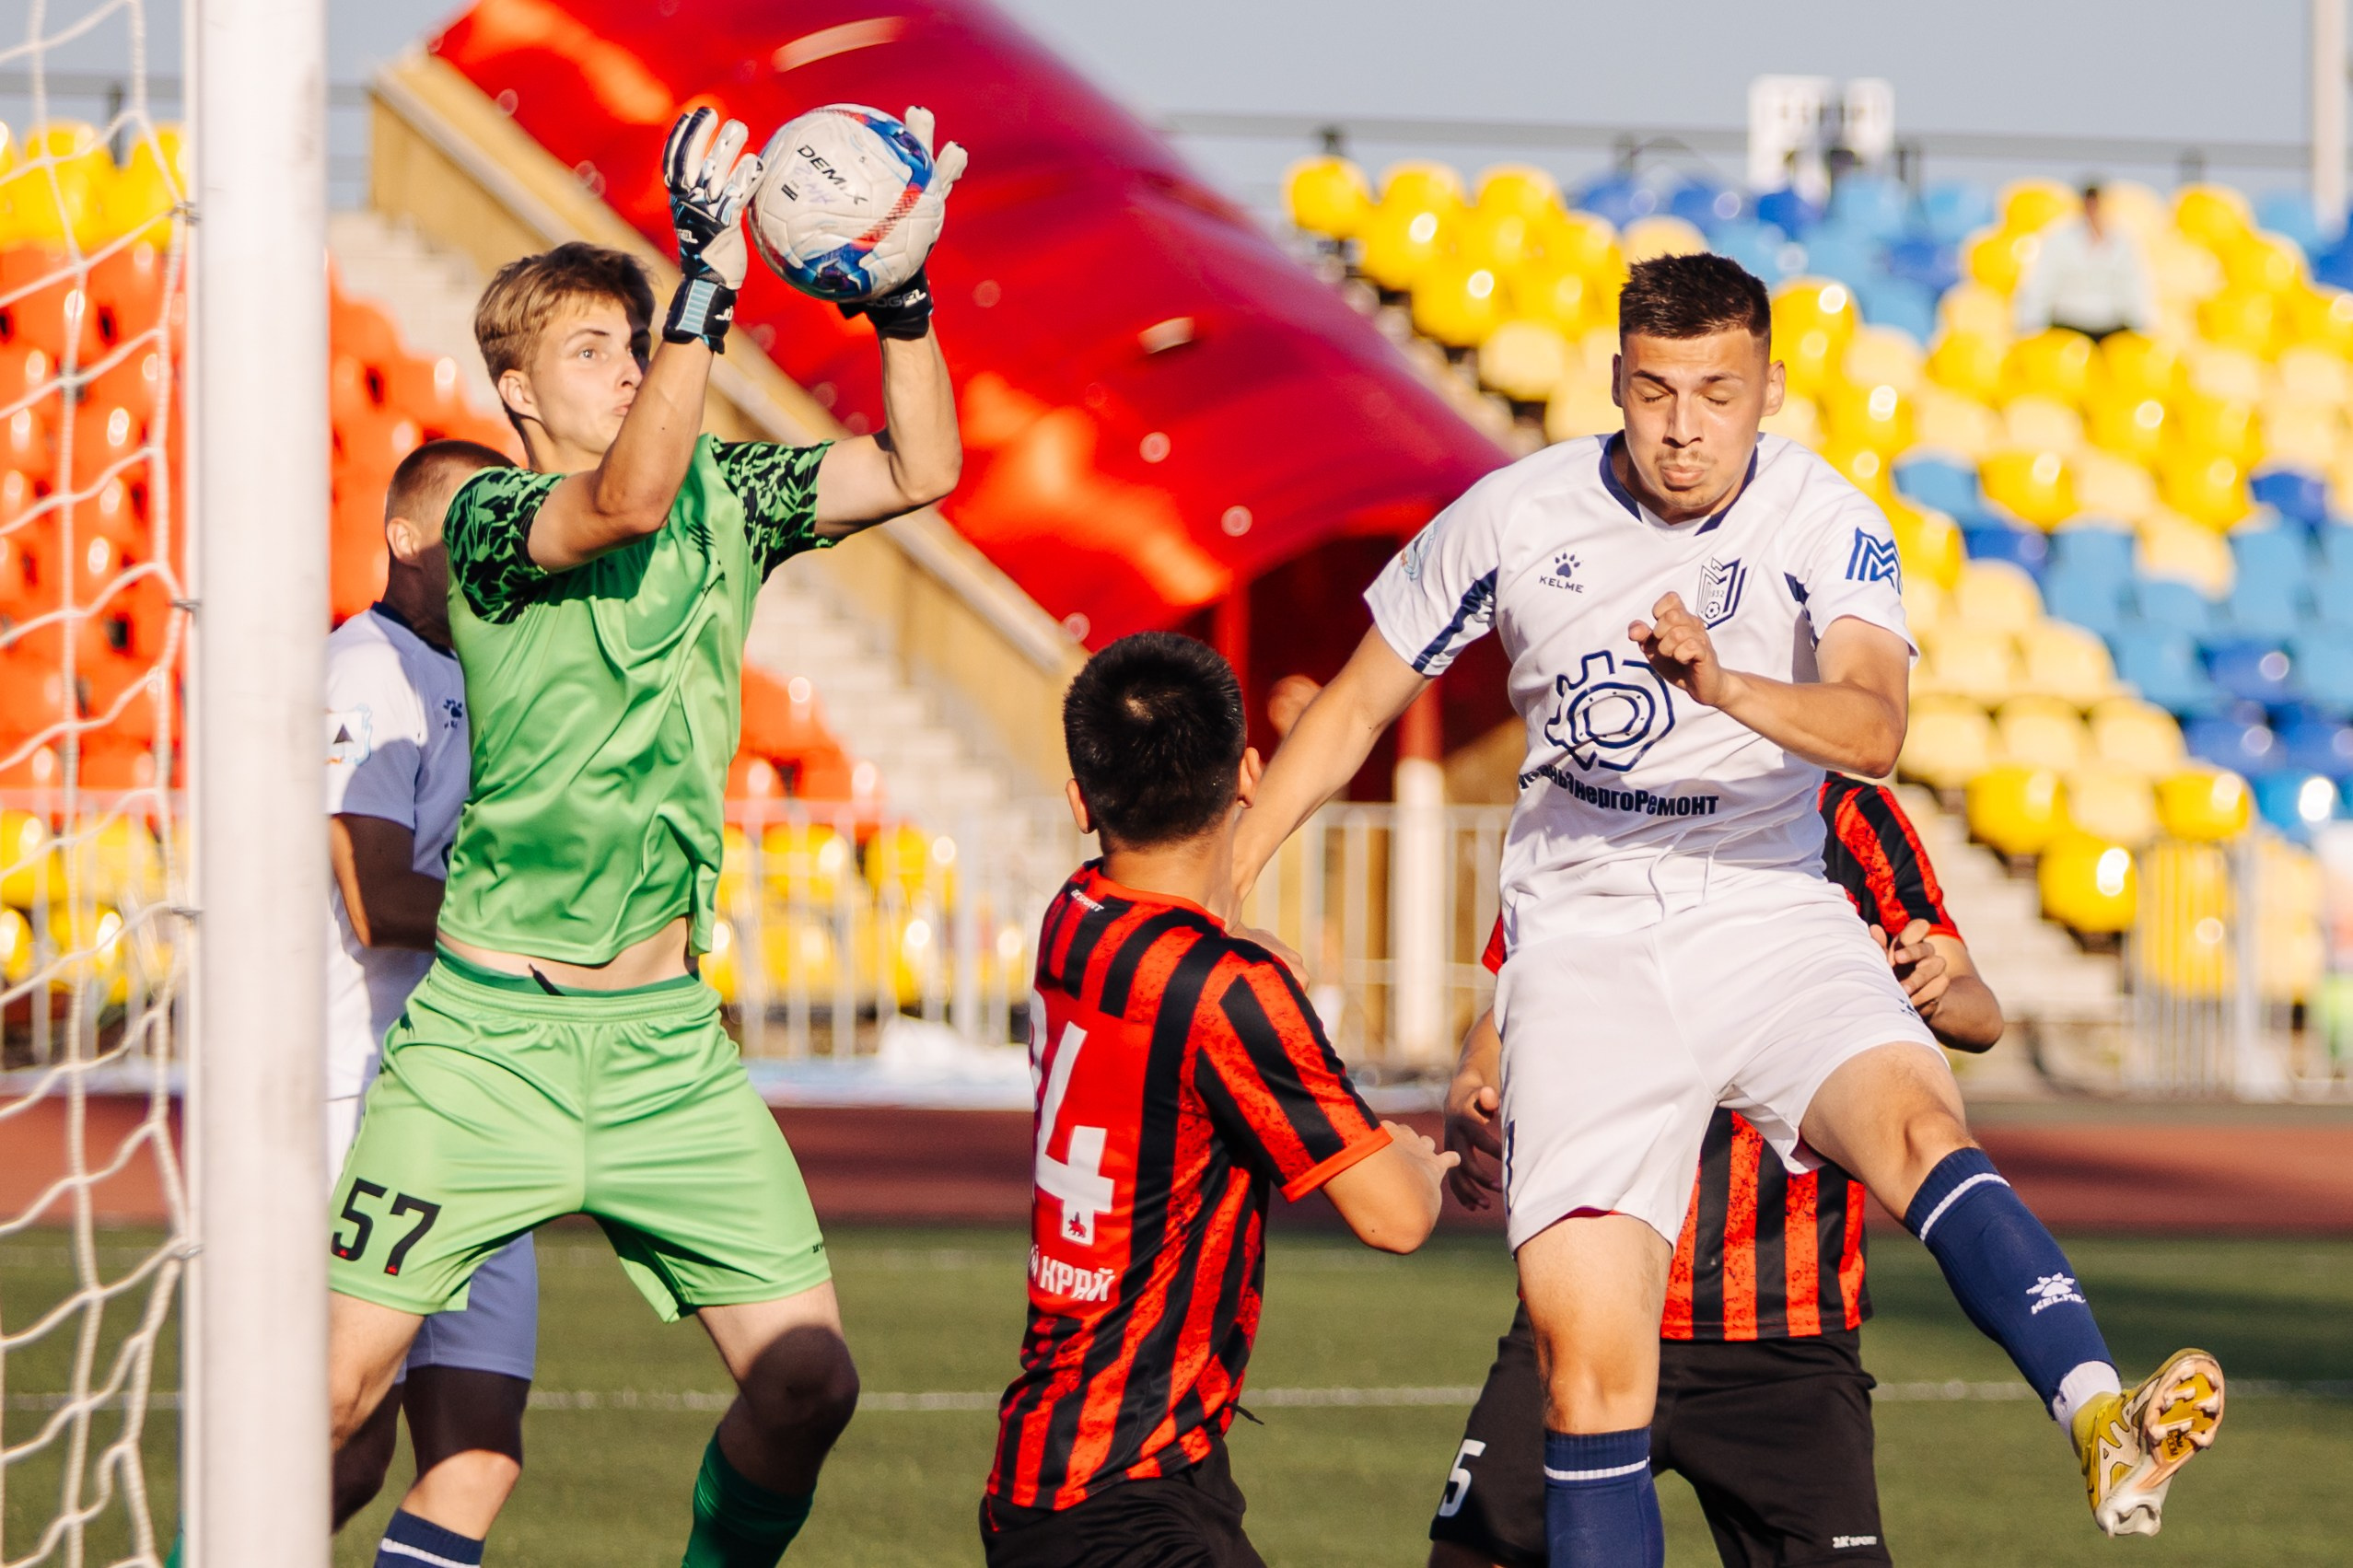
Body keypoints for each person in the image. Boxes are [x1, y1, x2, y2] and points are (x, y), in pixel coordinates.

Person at [1230, 252, 2222, 1564]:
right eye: (1654, 391)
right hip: (1583, 931)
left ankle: (2097, 1412)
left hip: (1764, 900)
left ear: (1767, 391)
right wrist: (1225, 873)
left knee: (1918, 1122)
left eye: (1715, 392)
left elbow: (1872, 725)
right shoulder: (1512, 515)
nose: (1682, 427)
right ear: (1613, 383)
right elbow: (1358, 701)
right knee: (1589, 1369)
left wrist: (1725, 684)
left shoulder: (1825, 519)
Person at [322, 107, 965, 1568]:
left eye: (635, 341)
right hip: (486, 1044)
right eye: (591, 349)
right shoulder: (488, 521)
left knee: (809, 1382)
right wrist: (705, 286)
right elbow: (619, 504)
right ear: (515, 389)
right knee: (335, 1395)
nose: (626, 363)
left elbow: (917, 467)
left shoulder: (731, 495)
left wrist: (906, 301)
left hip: (666, 1047)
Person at [1429, 774, 2001, 1568]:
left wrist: (1930, 992)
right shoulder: (1601, 784)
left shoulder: (1848, 812)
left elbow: (1977, 1008)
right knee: (1470, 1555)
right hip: (1592, 1294)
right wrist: (1470, 1079)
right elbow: (1520, 986)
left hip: (1785, 1327)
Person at [979, 632, 1457, 1568]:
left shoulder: (1073, 911)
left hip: (1091, 1461)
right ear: (1246, 775)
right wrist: (1416, 1158)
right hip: (1117, 1483)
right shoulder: (1228, 991)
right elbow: (1395, 1217)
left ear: (1081, 801)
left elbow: (1193, 947)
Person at [323, 438, 536, 1566]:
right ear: (405, 537)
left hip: (469, 1090)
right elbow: (377, 896)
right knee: (344, 1440)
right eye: (471, 520)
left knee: (477, 1450)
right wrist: (552, 929)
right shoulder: (365, 670)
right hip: (357, 1088)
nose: (497, 542)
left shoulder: (493, 672)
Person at [2012, 182, 2153, 342]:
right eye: (2089, 203)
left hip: (2112, 326)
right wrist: (2030, 326)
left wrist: (2144, 327)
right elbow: (2041, 283)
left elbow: (2134, 285)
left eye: (2097, 203)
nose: (2093, 210)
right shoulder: (2058, 238)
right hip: (2069, 324)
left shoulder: (2123, 241)